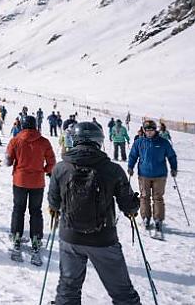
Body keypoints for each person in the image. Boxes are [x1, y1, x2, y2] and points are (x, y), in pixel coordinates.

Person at [48, 122, 141, 305]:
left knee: (68, 288)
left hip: (70, 237)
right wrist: (133, 208)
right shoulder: (112, 169)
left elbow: (54, 202)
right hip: (103, 238)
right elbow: (127, 204)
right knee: (122, 291)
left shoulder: (60, 168)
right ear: (98, 141)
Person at [5, 116, 56, 254]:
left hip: (20, 180)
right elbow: (52, 162)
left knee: (18, 208)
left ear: (22, 125)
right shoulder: (44, 141)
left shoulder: (15, 140)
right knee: (36, 210)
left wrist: (8, 161)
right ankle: (36, 238)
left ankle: (16, 235)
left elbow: (8, 160)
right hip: (37, 181)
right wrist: (46, 170)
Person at [128, 120, 177, 232]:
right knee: (144, 197)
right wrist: (130, 167)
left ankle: (158, 219)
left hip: (160, 175)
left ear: (155, 130)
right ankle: (145, 217)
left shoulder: (163, 142)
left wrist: (174, 168)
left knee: (158, 197)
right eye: (147, 130)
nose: (149, 132)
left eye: (152, 130)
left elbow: (171, 156)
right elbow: (133, 155)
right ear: (144, 131)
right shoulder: (139, 142)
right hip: (144, 174)